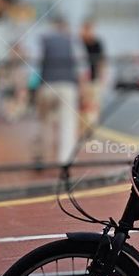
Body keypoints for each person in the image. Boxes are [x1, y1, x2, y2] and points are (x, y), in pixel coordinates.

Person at [37, 16, 81, 167]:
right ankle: (65, 160)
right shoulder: (72, 41)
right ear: (66, 27)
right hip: (67, 85)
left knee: (45, 122)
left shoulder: (44, 40)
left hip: (47, 85)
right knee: (67, 122)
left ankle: (41, 156)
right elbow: (80, 65)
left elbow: (37, 63)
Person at [79, 20, 105, 140]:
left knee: (93, 105)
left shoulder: (97, 43)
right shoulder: (79, 43)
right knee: (83, 106)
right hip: (81, 80)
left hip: (93, 79)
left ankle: (91, 130)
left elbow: (101, 62)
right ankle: (83, 130)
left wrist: (101, 77)